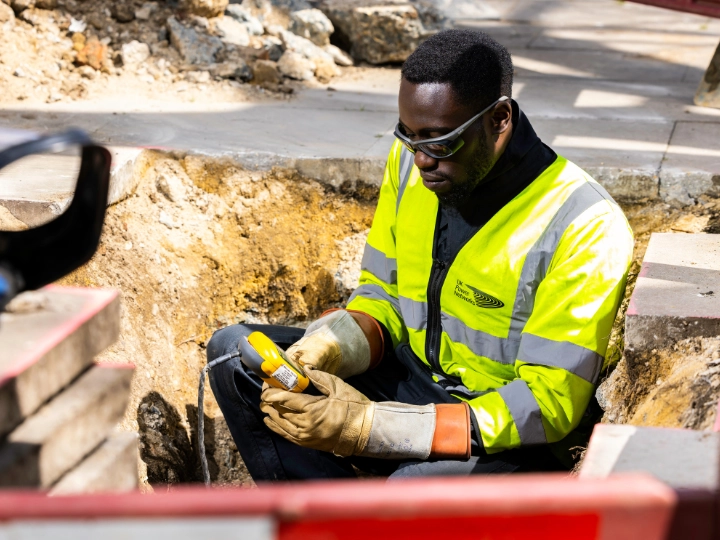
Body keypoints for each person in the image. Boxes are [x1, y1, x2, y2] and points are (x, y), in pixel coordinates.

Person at [207, 29, 634, 481]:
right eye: (408, 136)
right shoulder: (411, 160)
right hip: (413, 376)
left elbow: (548, 402)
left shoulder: (584, 226)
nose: (422, 159)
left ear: (500, 119)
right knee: (233, 357)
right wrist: (329, 348)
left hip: (497, 428)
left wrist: (370, 428)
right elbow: (383, 295)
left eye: (439, 140)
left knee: (413, 489)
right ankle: (327, 518)